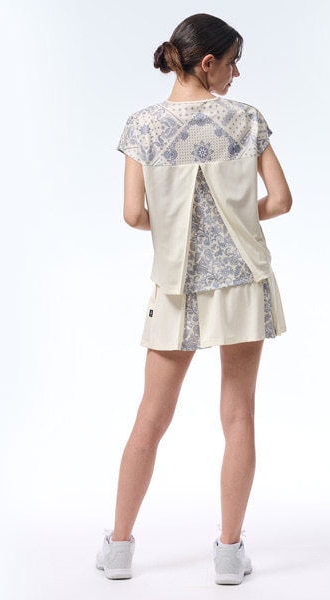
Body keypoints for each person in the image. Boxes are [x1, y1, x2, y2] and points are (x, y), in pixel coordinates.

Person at [95, 13, 292, 585]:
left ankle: (119, 549)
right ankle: (229, 555)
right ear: (207, 63)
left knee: (150, 417)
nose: (236, 74)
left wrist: (180, 226)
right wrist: (235, 218)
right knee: (239, 414)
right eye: (232, 62)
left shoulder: (142, 127)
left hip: (177, 286)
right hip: (242, 281)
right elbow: (280, 200)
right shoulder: (246, 119)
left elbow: (133, 215)